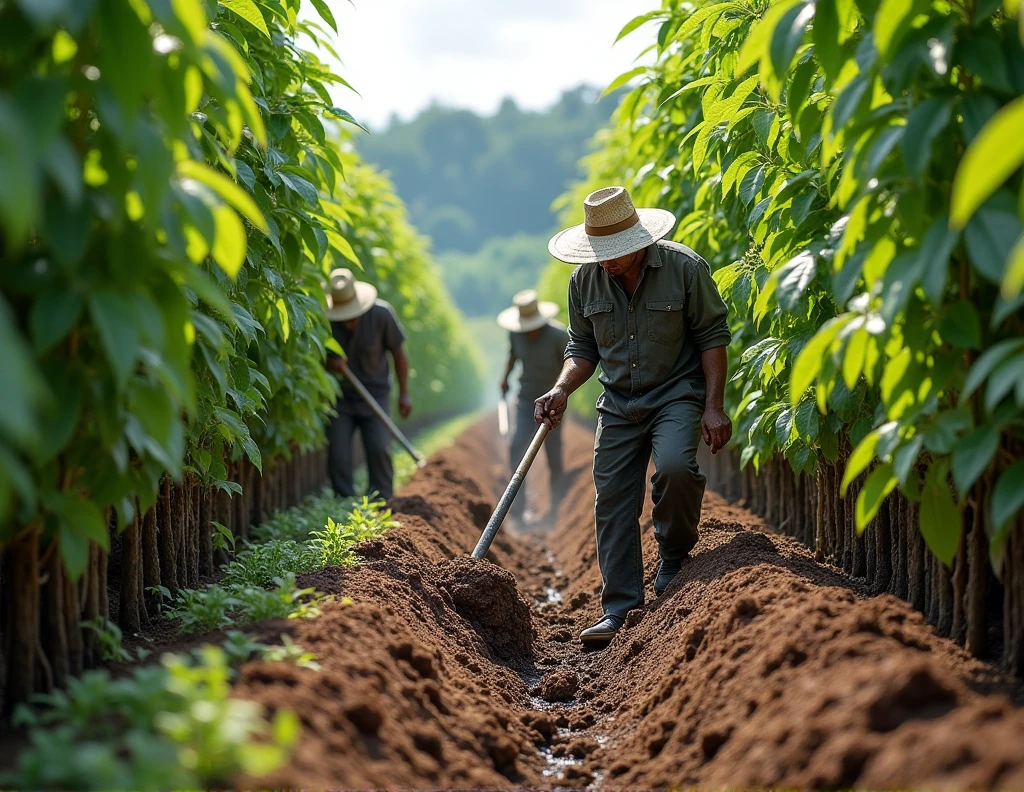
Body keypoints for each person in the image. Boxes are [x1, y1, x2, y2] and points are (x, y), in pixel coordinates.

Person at [536, 186, 732, 644]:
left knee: (675, 469)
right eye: (598, 252)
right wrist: (562, 388)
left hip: (676, 393)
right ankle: (620, 607)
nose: (606, 261)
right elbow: (582, 349)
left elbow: (712, 335)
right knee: (612, 500)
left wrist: (714, 405)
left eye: (614, 252)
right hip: (619, 404)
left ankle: (674, 558)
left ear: (638, 242)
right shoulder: (584, 282)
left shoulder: (685, 268)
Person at [324, 268, 412, 501]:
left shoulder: (382, 314)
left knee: (380, 447)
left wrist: (404, 394)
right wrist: (329, 363)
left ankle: (382, 499)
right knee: (338, 452)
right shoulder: (325, 320)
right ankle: (344, 502)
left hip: (376, 394)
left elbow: (399, 355)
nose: (349, 322)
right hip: (340, 397)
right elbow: (314, 356)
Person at [497, 289, 569, 522]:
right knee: (516, 446)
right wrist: (505, 377)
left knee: (553, 452)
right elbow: (512, 356)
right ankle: (518, 510)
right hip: (526, 398)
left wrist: (559, 393)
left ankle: (557, 509)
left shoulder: (559, 336)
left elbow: (570, 365)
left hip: (552, 402)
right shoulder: (515, 335)